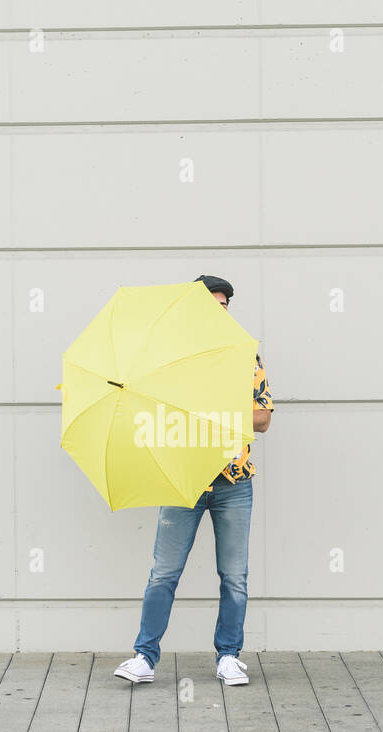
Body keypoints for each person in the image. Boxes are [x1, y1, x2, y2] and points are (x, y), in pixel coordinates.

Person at [114, 275, 273, 687]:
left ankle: (229, 657)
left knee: (234, 575)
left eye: (225, 307)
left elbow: (263, 418)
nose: (220, 313)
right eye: (212, 306)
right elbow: (152, 412)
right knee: (164, 572)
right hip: (182, 478)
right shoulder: (170, 360)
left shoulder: (245, 356)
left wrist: (217, 408)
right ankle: (144, 658)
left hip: (233, 481)